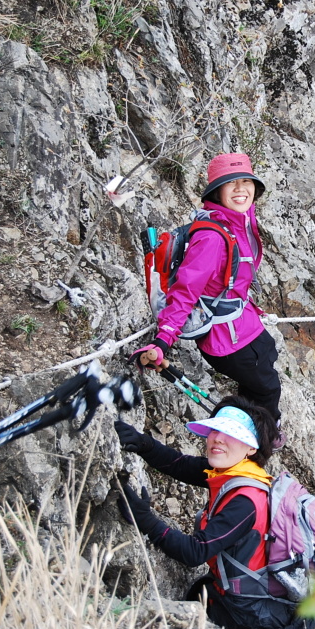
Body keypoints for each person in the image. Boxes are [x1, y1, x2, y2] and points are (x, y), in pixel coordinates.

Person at [114, 396, 313, 629]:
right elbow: (180, 465)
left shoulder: (245, 502)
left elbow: (194, 552)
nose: (217, 438)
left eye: (231, 434)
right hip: (250, 597)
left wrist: (145, 520)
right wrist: (143, 443)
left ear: (252, 448)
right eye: (215, 430)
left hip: (253, 618)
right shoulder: (238, 472)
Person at [132, 153, 283, 431]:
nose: (240, 189)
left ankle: (240, 427)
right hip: (227, 338)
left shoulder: (239, 221)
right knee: (268, 390)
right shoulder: (212, 238)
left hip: (243, 321)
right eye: (231, 183)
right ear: (217, 191)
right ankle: (255, 445)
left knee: (267, 357)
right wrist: (164, 339)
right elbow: (185, 292)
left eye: (245, 181)